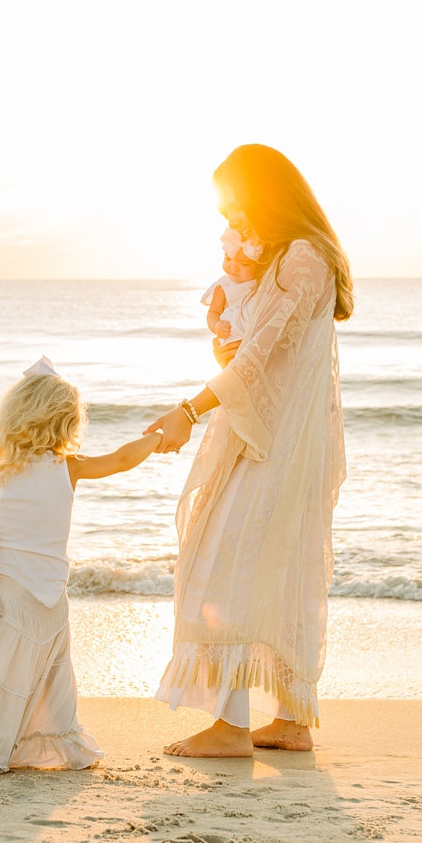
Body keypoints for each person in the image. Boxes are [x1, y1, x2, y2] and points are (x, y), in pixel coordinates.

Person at [145, 144, 353, 758]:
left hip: (278, 447)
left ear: (264, 195)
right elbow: (261, 354)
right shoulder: (295, 258)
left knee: (226, 563)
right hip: (283, 438)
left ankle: (232, 726)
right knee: (278, 569)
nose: (230, 217)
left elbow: (262, 358)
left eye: (234, 201)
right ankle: (291, 721)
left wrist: (188, 411)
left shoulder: (303, 257)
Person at [0, 357, 162, 775]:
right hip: (50, 596)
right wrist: (158, 438)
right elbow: (121, 460)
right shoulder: (68, 468)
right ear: (66, 423)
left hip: (8, 594)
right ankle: (43, 743)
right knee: (45, 676)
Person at [203, 228, 260, 343]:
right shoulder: (224, 286)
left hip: (254, 340)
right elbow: (213, 312)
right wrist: (216, 326)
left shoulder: (262, 284)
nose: (233, 267)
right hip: (231, 338)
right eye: (228, 258)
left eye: (244, 264)